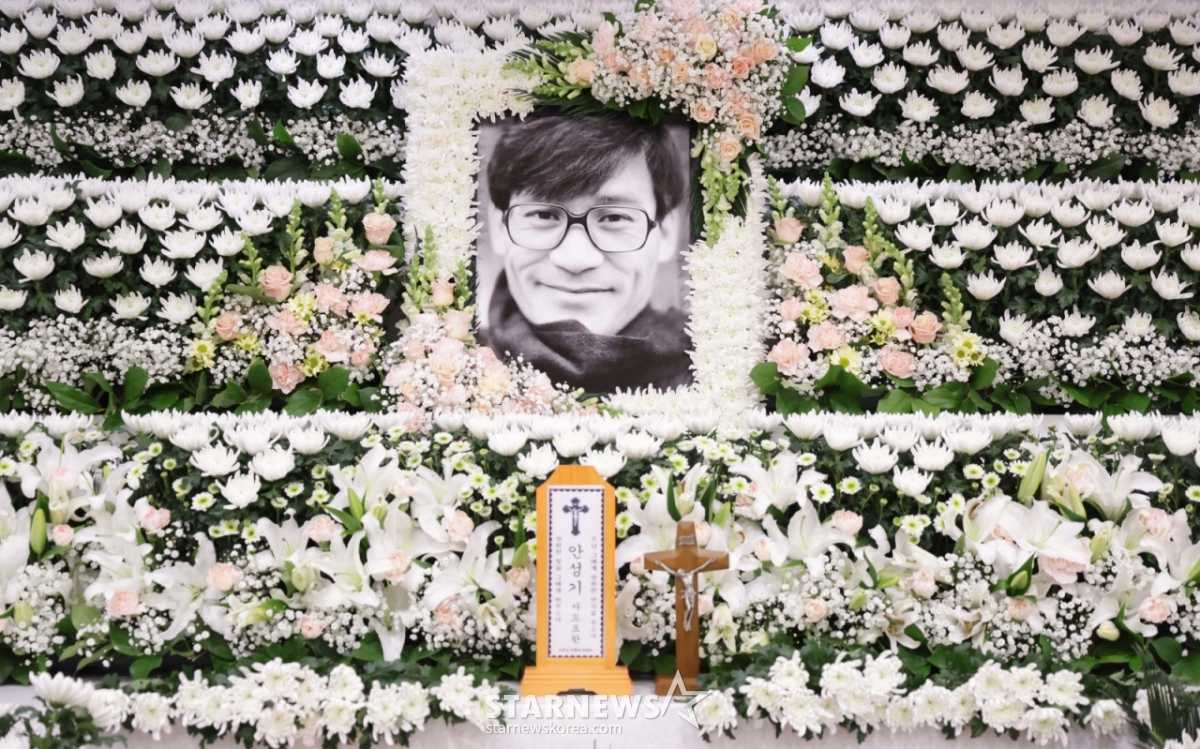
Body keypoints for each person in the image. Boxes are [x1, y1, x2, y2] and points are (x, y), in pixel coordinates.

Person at [478, 116, 694, 394]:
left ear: (665, 232)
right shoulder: (440, 364)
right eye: (543, 214)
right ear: (499, 227)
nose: (575, 259)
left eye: (614, 217)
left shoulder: (720, 375)